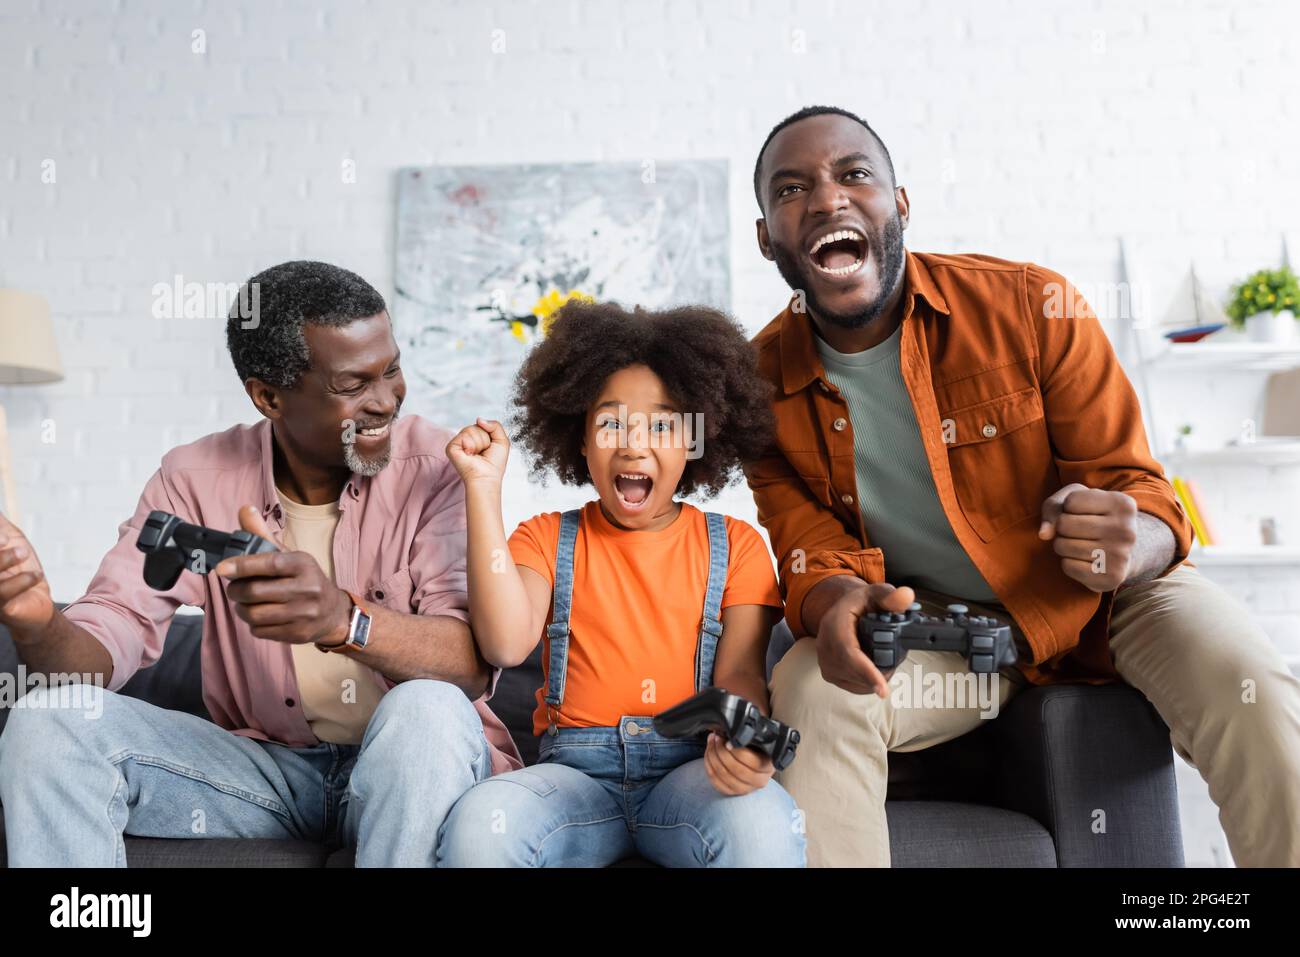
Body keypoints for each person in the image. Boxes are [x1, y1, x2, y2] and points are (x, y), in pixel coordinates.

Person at [745, 105, 1300, 867]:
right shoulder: (756, 387)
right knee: (813, 687)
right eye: (791, 189)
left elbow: (1144, 493)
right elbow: (807, 548)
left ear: (899, 204)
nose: (827, 199)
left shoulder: (1033, 307)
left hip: (1114, 603)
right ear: (766, 237)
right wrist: (832, 600)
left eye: (855, 174)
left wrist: (1128, 540)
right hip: (947, 636)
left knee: (1254, 687)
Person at [0, 260, 521, 867]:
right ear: (269, 396)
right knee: (48, 720)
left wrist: (342, 623)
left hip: (415, 769)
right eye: (354, 385)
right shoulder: (194, 480)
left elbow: (471, 668)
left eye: (393, 370)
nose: (387, 402)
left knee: (427, 707)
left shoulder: (438, 468)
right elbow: (110, 629)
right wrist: (38, 623)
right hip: (267, 772)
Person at [436, 301, 805, 867]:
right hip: (573, 781)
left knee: (763, 825)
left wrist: (744, 739)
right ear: (581, 439)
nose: (634, 444)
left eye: (662, 424)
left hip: (690, 775)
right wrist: (484, 489)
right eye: (611, 422)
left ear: (695, 441)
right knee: (481, 830)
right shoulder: (543, 539)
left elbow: (738, 674)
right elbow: (505, 645)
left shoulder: (737, 546)